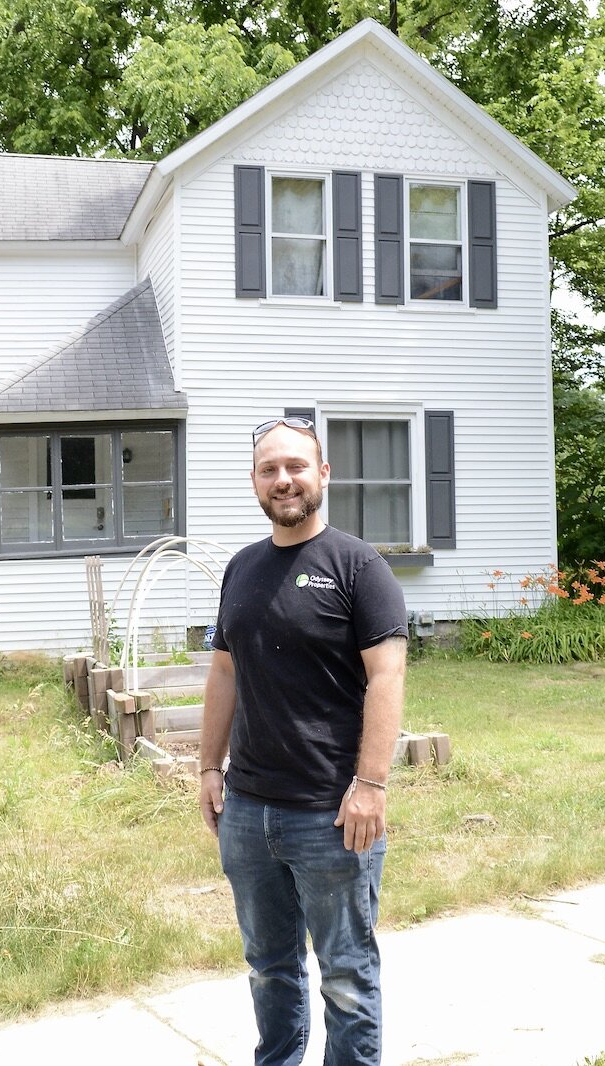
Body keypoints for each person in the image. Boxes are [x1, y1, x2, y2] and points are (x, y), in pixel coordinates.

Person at [199, 415, 409, 1066]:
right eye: (269, 469)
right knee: (268, 969)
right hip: (248, 812)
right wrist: (208, 768)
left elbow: (387, 676)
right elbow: (224, 672)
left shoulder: (358, 566)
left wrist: (370, 785)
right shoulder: (241, 568)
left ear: (323, 473)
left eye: (295, 466)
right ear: (254, 482)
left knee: (345, 975)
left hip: (332, 815)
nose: (283, 479)